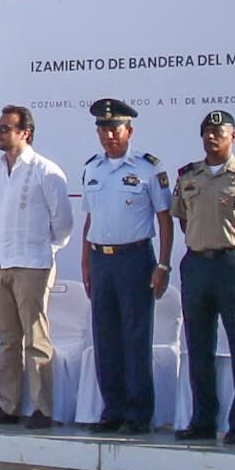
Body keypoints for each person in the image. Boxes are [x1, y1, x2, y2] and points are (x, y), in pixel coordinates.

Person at [171, 110, 235, 445]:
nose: (212, 137)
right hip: (197, 263)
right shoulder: (189, 175)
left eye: (220, 131)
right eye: (207, 132)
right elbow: (183, 220)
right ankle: (202, 421)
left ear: (234, 136)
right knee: (198, 347)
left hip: (233, 264)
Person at [75, 99, 173, 434]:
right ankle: (112, 408)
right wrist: (86, 262)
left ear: (128, 130)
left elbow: (164, 219)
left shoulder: (148, 168)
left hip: (135, 259)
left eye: (114, 128)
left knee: (135, 335)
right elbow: (91, 219)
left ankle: (138, 412)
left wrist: (163, 263)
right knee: (105, 337)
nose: (108, 135)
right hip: (102, 258)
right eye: (102, 129)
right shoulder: (92, 168)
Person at [0, 105, 75, 427]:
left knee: (36, 338)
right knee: (7, 339)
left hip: (33, 264)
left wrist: (44, 253)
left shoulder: (46, 171)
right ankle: (8, 405)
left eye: (6, 128)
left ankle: (42, 408)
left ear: (25, 133)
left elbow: (62, 223)